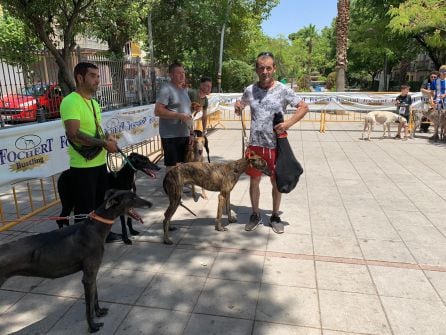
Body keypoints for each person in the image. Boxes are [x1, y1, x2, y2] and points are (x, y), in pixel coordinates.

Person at [234, 52, 309, 234]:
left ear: (274, 69)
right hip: (255, 145)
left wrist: (288, 124)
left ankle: (275, 216)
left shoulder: (282, 89)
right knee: (254, 181)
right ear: (256, 69)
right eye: (261, 68)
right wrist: (238, 107)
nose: (265, 71)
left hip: (276, 145)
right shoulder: (250, 90)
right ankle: (255, 214)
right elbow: (241, 104)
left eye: (269, 68)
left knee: (276, 182)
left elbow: (304, 107)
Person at [60, 62, 119, 240]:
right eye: (93, 76)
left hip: (99, 162)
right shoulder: (70, 101)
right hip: (83, 166)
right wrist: (103, 143)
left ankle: (101, 235)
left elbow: (96, 128)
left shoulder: (93, 102)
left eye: (98, 76)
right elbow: (74, 133)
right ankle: (83, 243)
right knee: (85, 208)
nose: (97, 80)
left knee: (101, 205)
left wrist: (108, 138)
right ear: (80, 78)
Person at [154, 62, 193, 172]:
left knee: (183, 165)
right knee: (172, 167)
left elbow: (188, 112)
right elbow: (158, 111)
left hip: (184, 134)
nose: (182, 75)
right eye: (179, 73)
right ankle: (171, 189)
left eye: (183, 73)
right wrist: (179, 116)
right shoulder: (166, 89)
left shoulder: (183, 89)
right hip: (170, 135)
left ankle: (180, 188)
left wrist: (191, 133)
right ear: (171, 74)